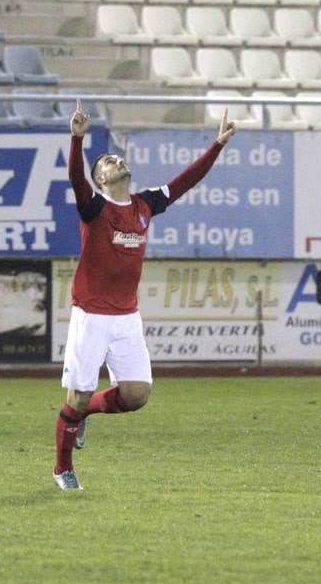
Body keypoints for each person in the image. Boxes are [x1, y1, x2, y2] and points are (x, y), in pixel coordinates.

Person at [53, 101, 237, 491]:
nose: (116, 161)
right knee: (77, 396)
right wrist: (77, 139)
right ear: (100, 179)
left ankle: (87, 414)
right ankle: (62, 468)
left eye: (117, 158)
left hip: (126, 316)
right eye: (107, 162)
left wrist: (216, 146)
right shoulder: (95, 207)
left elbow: (186, 181)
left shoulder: (144, 204)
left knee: (137, 395)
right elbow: (74, 178)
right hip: (92, 314)